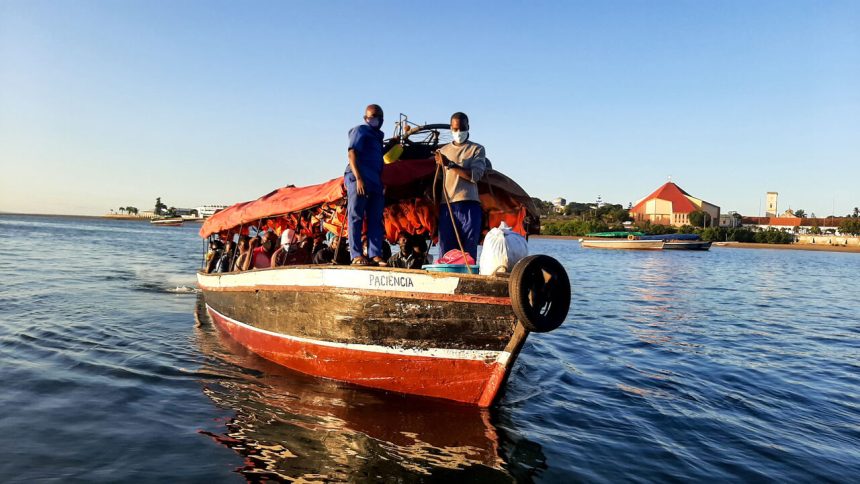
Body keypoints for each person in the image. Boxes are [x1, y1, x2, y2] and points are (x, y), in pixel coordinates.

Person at [434, 112, 486, 260]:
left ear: (468, 127)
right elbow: (438, 181)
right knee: (446, 252)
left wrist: (450, 164)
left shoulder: (477, 149)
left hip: (469, 205)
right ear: (451, 128)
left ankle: (468, 280)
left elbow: (474, 176)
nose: (459, 132)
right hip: (447, 206)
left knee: (468, 251)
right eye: (456, 129)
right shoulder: (442, 151)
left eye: (462, 128)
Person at [345, 104, 387, 266]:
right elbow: (352, 153)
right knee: (355, 216)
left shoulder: (378, 136)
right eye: (371, 116)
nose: (375, 119)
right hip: (359, 178)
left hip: (375, 180)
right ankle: (356, 255)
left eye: (378, 117)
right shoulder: (360, 130)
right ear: (365, 118)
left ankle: (375, 254)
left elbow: (378, 155)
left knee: (376, 217)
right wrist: (359, 178)